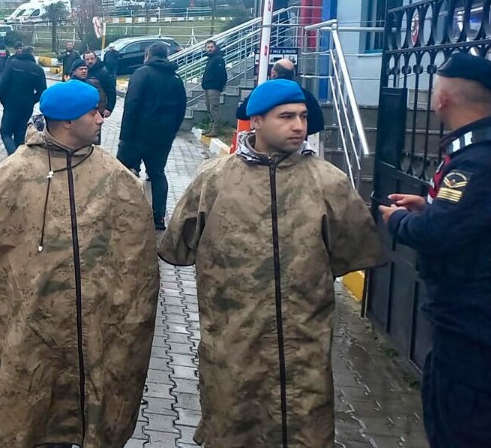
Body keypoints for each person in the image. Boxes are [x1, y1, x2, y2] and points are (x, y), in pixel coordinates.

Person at [159, 79, 385, 446]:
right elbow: (176, 249)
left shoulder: (328, 183)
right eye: (286, 117)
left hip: (304, 354)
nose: (299, 125)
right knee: (232, 431)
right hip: (233, 346)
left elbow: (353, 252)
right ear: (257, 121)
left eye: (303, 116)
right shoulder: (214, 181)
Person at [0, 81, 158, 447]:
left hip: (95, 334)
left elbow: (137, 260)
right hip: (31, 335)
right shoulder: (10, 177)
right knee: (32, 418)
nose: (102, 119)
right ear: (68, 121)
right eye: (93, 113)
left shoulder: (116, 178)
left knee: (81, 414)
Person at [377, 52, 491, 446]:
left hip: (476, 330)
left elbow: (438, 234)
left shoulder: (481, 159)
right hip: (473, 325)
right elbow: (471, 219)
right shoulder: (485, 146)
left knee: (461, 429)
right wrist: (429, 206)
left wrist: (398, 221)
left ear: (442, 99)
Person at [117, 43, 187, 230]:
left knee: (126, 172)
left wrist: (125, 136)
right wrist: (171, 132)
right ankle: (159, 217)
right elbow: (182, 109)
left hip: (137, 134)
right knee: (157, 174)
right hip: (163, 137)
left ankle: (125, 212)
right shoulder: (176, 78)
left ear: (147, 54)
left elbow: (132, 104)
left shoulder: (142, 73)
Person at [237, 58, 325, 135]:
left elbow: (242, 113)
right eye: (286, 117)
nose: (298, 127)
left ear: (274, 74)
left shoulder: (262, 92)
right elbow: (317, 124)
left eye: (303, 117)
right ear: (293, 75)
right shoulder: (306, 95)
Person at [0, 46, 47, 155]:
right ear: (32, 55)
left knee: (5, 132)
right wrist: (32, 100)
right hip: (27, 106)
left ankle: (13, 157)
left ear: (22, 53)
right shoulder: (38, 70)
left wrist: (4, 101)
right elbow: (42, 91)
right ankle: (18, 157)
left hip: (11, 104)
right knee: (20, 135)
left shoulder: (13, 64)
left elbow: (3, 84)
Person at [201, 39, 227, 137]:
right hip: (207, 87)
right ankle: (211, 127)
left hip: (214, 88)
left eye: (211, 47)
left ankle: (216, 130)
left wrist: (219, 86)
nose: (209, 49)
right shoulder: (210, 59)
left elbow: (222, 75)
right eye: (208, 47)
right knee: (209, 108)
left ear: (215, 47)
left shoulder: (218, 59)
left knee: (214, 108)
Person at [82, 50, 117, 116]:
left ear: (96, 58)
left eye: (92, 59)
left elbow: (111, 91)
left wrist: (109, 108)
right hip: (84, 109)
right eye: (87, 59)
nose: (90, 61)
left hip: (99, 110)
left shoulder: (103, 72)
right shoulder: (82, 71)